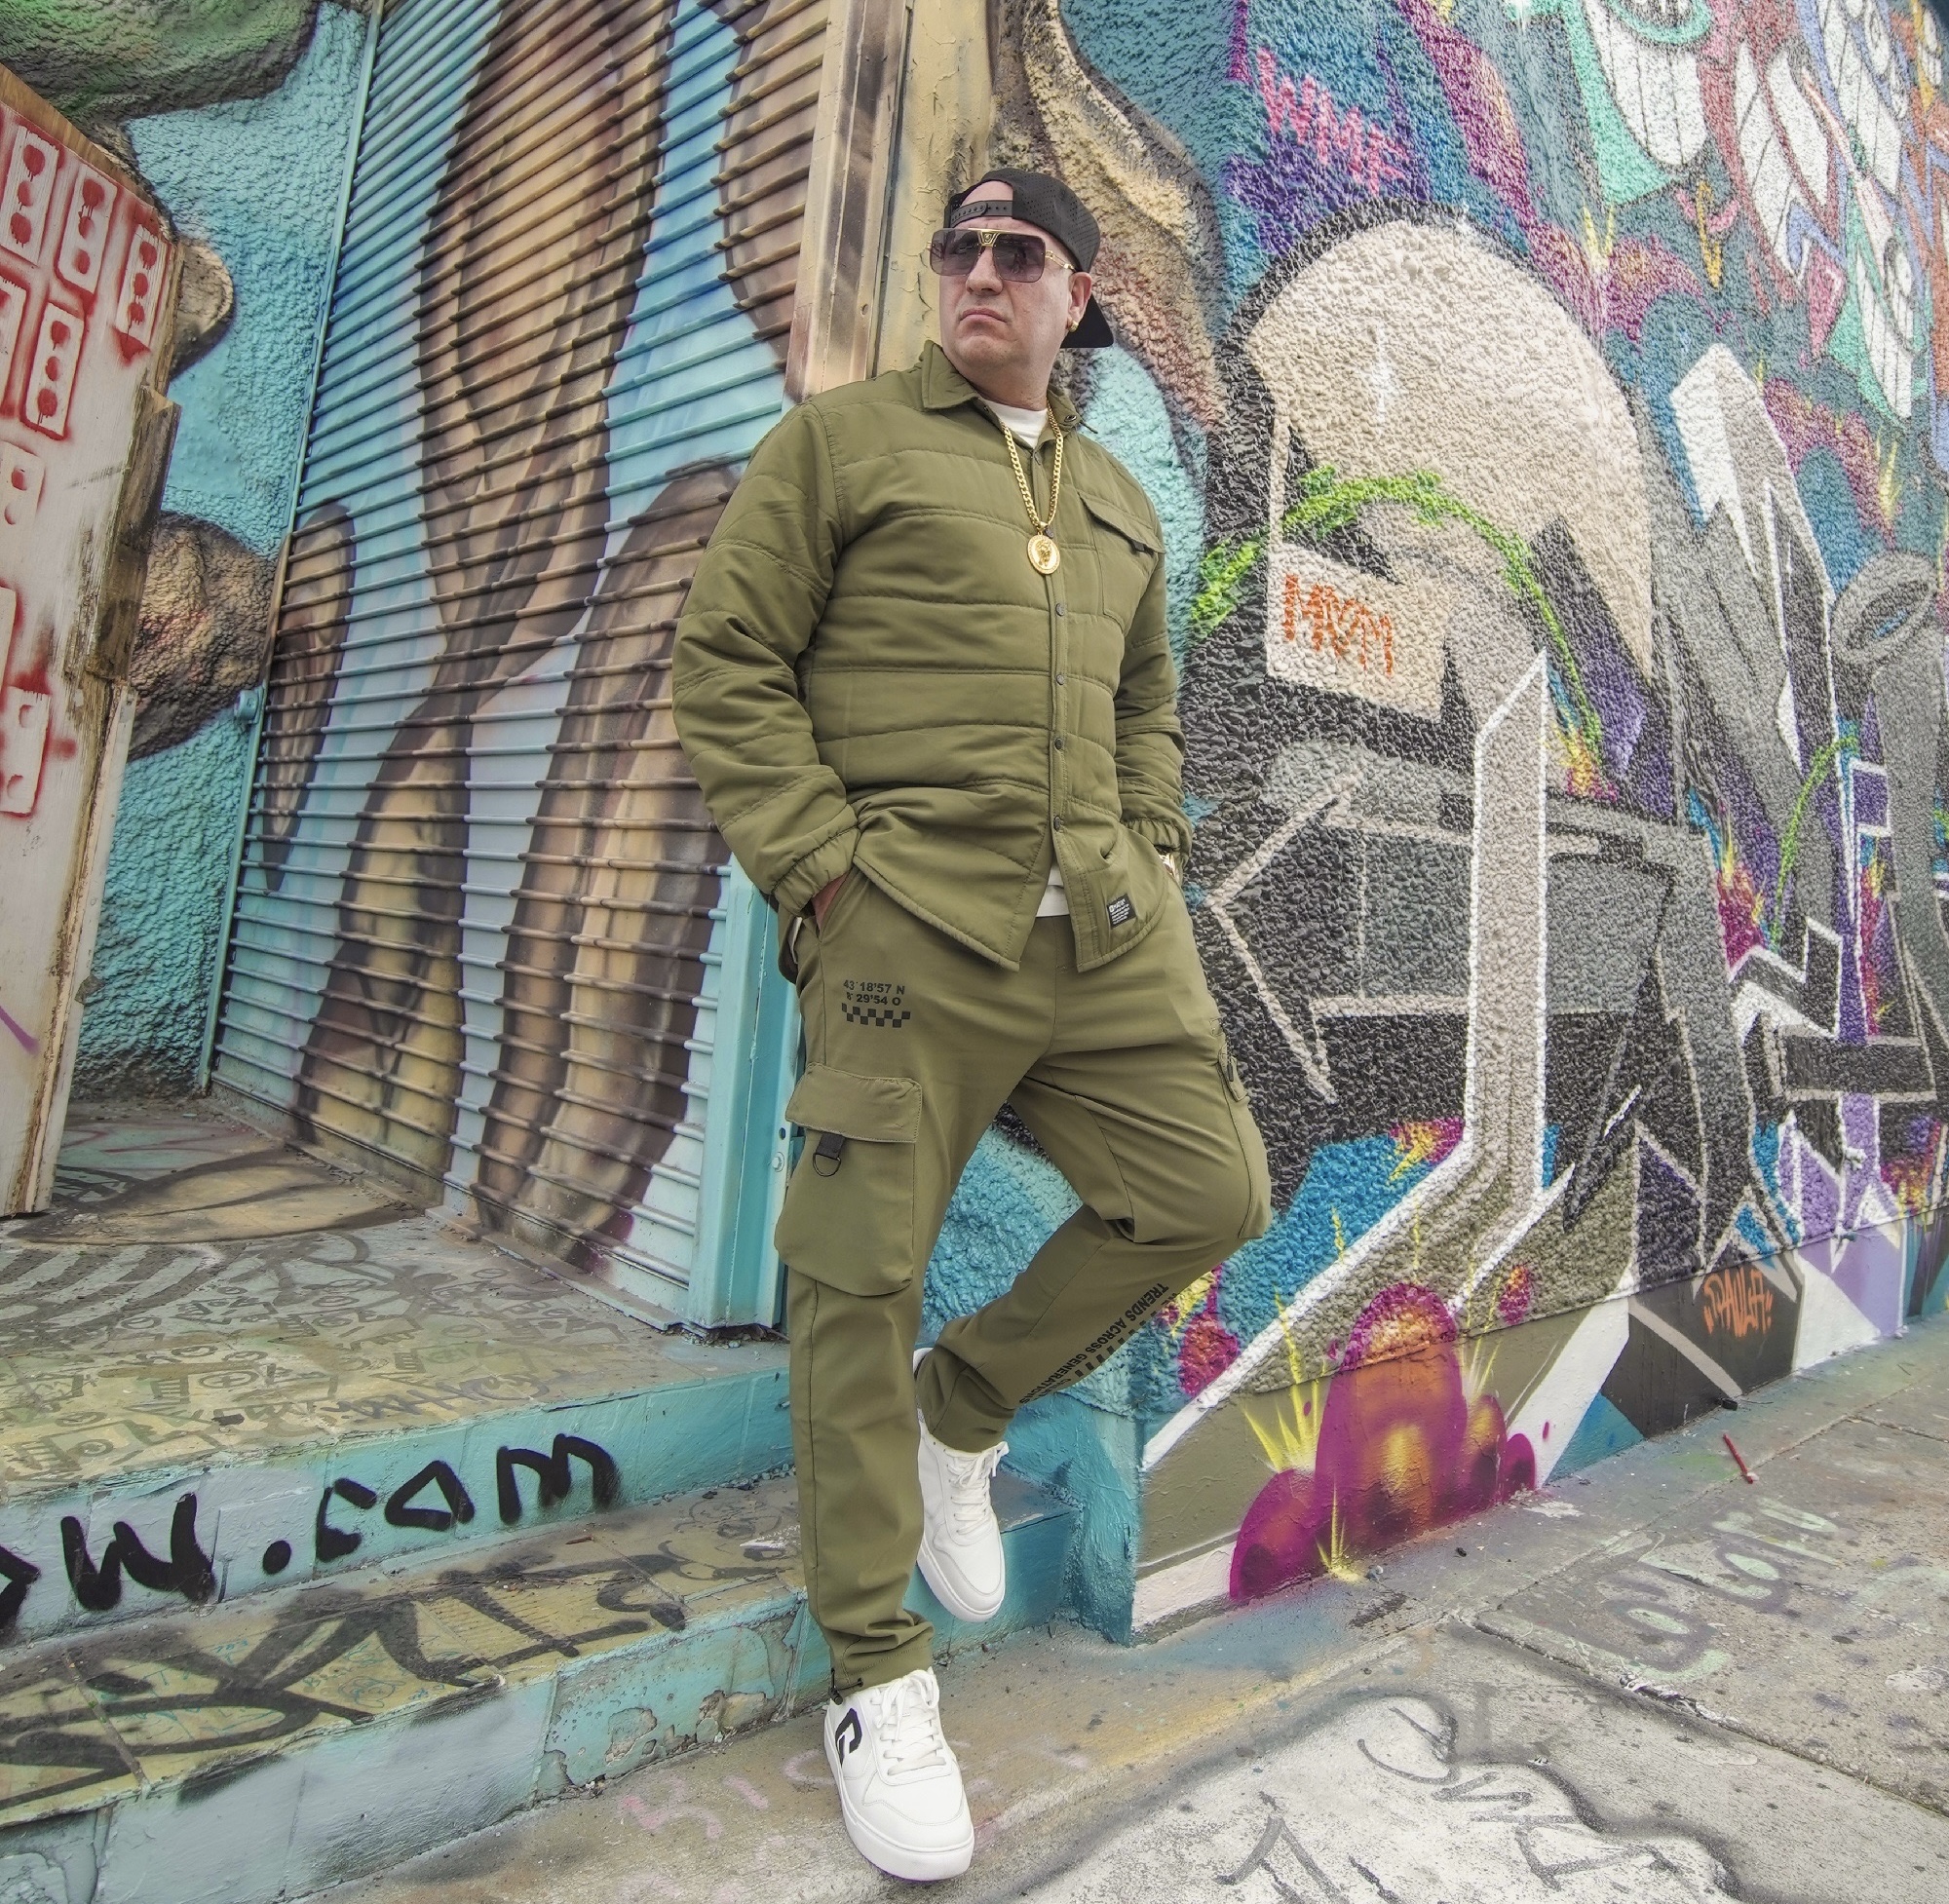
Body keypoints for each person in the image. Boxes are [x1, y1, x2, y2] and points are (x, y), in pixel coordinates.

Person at [672, 168, 1271, 1883]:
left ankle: (968, 1400)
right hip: (905, 928)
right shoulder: (843, 446)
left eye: (1020, 253)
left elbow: (1149, 706)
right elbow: (726, 662)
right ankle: (878, 1670)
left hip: (1104, 935)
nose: (981, 272)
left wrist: (1151, 848)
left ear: (1078, 296)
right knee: (853, 1275)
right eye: (960, 248)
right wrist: (823, 876)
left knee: (1209, 1186)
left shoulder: (1121, 502)